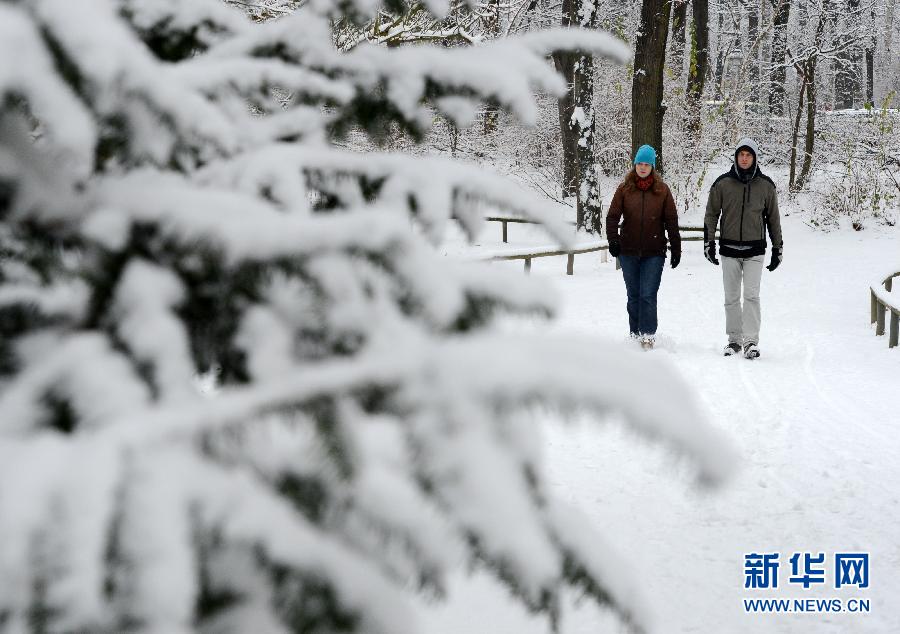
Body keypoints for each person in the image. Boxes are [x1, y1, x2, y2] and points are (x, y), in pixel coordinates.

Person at [703, 138, 783, 359]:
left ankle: (750, 341)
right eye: (741, 155)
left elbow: (774, 220)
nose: (744, 158)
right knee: (730, 297)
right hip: (728, 249)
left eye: (748, 155)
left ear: (754, 158)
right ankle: (734, 340)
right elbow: (711, 214)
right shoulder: (722, 184)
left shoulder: (766, 186)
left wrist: (778, 248)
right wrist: (708, 242)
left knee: (751, 295)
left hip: (754, 251)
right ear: (736, 157)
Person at [606, 145, 681, 350]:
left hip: (654, 252)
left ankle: (647, 335)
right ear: (635, 164)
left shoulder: (662, 190)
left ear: (652, 166)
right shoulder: (624, 189)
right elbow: (612, 217)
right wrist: (613, 240)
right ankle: (634, 334)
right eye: (640, 163)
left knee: (648, 295)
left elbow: (671, 221)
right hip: (628, 250)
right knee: (633, 295)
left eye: (647, 164)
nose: (642, 167)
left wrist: (676, 248)